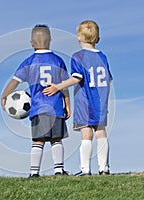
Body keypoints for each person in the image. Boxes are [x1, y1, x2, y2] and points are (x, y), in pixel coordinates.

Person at [43, 20, 113, 176]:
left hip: (86, 102)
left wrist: (58, 86)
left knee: (86, 133)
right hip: (101, 101)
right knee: (101, 132)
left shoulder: (78, 56)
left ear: (78, 38)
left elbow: (76, 78)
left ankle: (85, 169)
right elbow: (108, 79)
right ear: (98, 39)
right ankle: (104, 168)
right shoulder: (103, 57)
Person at [1, 24, 71, 177]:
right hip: (56, 107)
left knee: (38, 141)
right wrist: (67, 102)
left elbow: (15, 81)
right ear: (50, 41)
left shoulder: (29, 62)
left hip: (38, 108)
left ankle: (34, 173)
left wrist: (4, 95)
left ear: (31, 42)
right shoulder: (58, 60)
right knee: (56, 139)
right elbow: (64, 85)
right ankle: (59, 170)